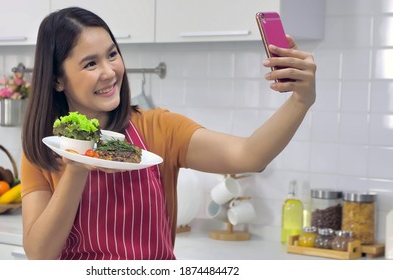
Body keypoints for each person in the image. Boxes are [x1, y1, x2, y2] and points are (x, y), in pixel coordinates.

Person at [21, 7, 316, 260]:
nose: (109, 72)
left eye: (112, 54)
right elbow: (40, 254)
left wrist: (301, 101)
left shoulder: (156, 127)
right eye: (90, 63)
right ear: (58, 79)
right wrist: (76, 166)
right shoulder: (44, 148)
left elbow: (250, 156)